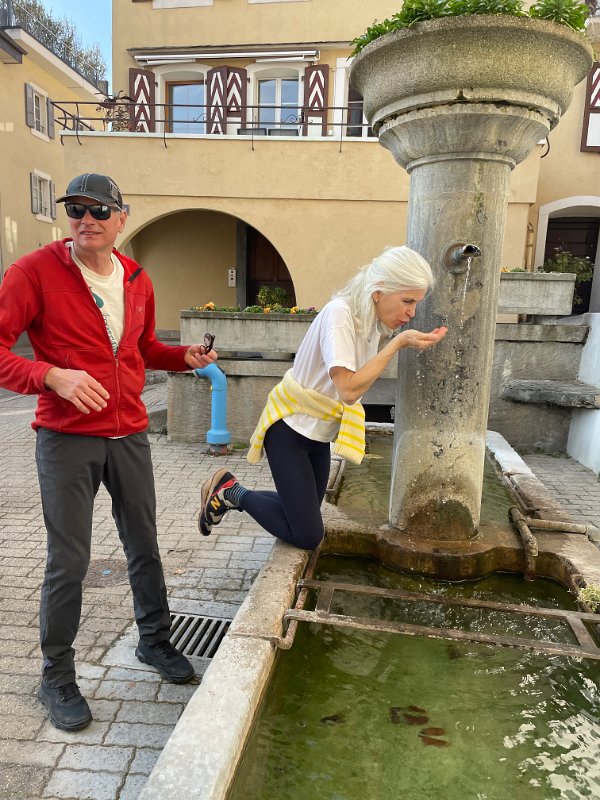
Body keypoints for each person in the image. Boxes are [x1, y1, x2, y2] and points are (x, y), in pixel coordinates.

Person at [0, 173, 217, 732]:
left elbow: (142, 349)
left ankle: (155, 641)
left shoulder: (137, 278)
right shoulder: (33, 272)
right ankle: (56, 676)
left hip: (128, 434)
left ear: (122, 218)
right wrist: (50, 375)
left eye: (99, 210)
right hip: (66, 437)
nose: (86, 219)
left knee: (143, 542)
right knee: (69, 559)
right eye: (76, 208)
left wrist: (182, 357)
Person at [198, 245, 447, 550]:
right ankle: (231, 493)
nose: (412, 312)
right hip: (290, 430)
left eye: (416, 303)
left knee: (301, 516)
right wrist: (397, 345)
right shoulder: (340, 314)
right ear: (379, 290)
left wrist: (395, 341)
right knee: (308, 535)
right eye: (407, 301)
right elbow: (348, 390)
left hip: (319, 434)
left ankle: (227, 488)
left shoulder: (371, 324)